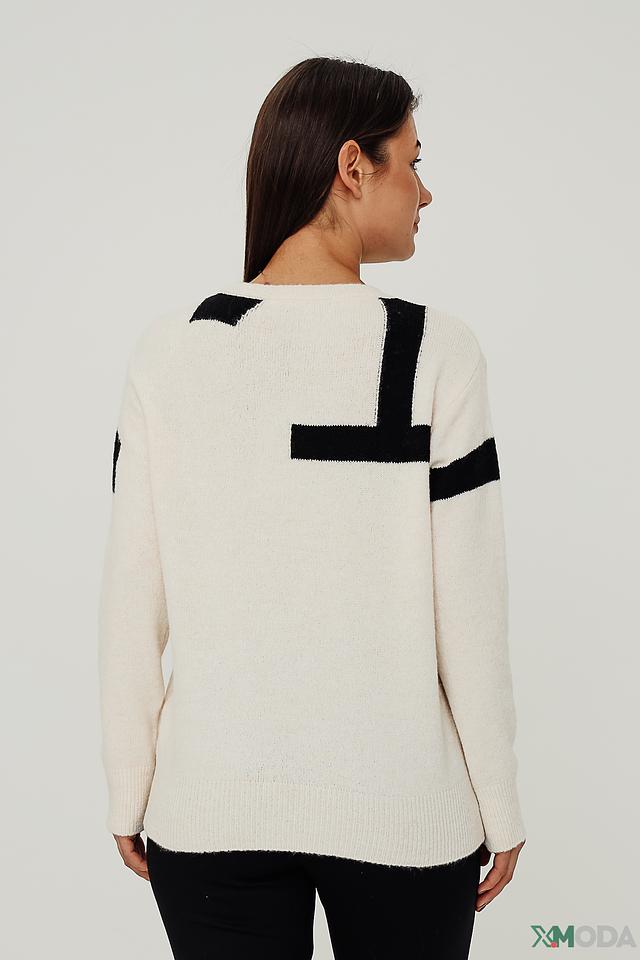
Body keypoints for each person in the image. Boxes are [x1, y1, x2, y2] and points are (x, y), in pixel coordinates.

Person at [98, 56, 526, 959]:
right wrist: (500, 801)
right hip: (405, 814)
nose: (426, 191)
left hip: (209, 811)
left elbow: (132, 604)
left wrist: (128, 787)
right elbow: (471, 613)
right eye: (414, 160)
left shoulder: (170, 354)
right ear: (353, 166)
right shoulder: (435, 351)